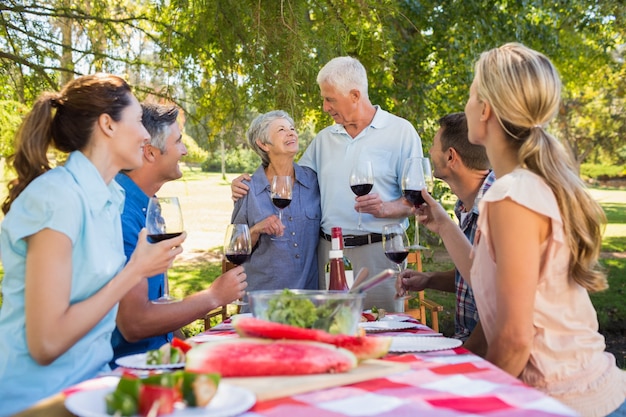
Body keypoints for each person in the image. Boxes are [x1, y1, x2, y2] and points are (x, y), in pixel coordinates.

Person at [415, 43, 626, 417]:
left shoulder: (512, 195)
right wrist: (459, 366)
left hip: (568, 401)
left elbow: (513, 340)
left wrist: (467, 406)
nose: (466, 105)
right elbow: (496, 306)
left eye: (470, 93)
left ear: (486, 109)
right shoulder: (522, 186)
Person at [0, 74, 186, 416]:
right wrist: (133, 273)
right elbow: (46, 344)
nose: (146, 134)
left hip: (95, 386)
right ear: (107, 125)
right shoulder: (57, 198)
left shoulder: (109, 197)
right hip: (39, 400)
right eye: (136, 122)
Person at [232, 57, 423, 312]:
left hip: (380, 253)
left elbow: (420, 201)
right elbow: (289, 176)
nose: (324, 107)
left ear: (354, 95)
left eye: (330, 99)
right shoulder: (324, 139)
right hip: (329, 256)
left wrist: (388, 209)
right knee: (328, 330)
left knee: (383, 328)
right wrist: (245, 183)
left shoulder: (401, 132)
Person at [111, 103, 246, 362]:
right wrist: (213, 296)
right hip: (131, 370)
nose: (184, 151)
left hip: (160, 358)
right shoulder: (122, 214)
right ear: (150, 153)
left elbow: (157, 302)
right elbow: (134, 324)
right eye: (179, 142)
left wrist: (188, 348)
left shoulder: (149, 205)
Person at [397, 112, 493, 357]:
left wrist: (457, 360)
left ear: (451, 156)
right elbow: (476, 274)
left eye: (433, 145)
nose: (429, 151)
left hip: (489, 357)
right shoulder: (465, 206)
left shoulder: (497, 209)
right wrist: (429, 279)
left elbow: (498, 304)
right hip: (466, 345)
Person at [229, 110, 320, 305]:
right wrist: (256, 229)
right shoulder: (247, 189)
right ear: (263, 144)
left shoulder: (314, 181)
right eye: (281, 130)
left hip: (310, 302)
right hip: (264, 303)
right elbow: (234, 248)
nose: (291, 133)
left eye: (292, 129)